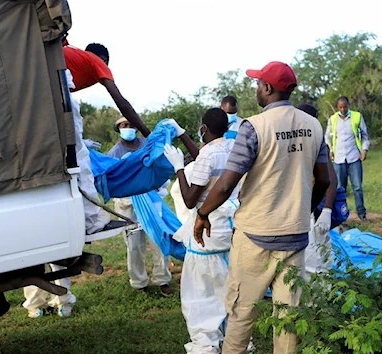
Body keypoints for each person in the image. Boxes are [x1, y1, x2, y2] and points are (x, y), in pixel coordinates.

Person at [192, 61, 330, 354]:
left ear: (267, 89)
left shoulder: (253, 127)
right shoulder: (314, 126)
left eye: (258, 84)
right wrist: (304, 210)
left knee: (242, 312)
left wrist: (202, 214)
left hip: (255, 236)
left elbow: (227, 184)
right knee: (289, 318)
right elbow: (325, 180)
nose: (256, 89)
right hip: (295, 236)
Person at [163, 108, 244, 354]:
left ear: (204, 129)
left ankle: (206, 344)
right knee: (229, 287)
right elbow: (206, 158)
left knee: (201, 292)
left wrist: (178, 168)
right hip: (231, 230)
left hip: (206, 231)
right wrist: (183, 135)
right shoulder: (232, 148)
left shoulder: (208, 155)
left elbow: (189, 200)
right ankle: (237, 340)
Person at [107, 117, 173, 296]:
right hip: (128, 205)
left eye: (130, 125)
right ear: (119, 128)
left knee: (159, 241)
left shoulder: (147, 145)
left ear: (136, 127)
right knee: (134, 245)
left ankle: (163, 279)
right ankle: (139, 282)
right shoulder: (115, 152)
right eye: (124, 126)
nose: (128, 128)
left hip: (152, 201)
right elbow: (113, 181)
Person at [63, 42, 150, 136]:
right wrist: (147, 134)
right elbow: (120, 101)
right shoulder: (96, 61)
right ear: (104, 60)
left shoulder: (76, 59)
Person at [297, 103, 338, 281]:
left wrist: (327, 211)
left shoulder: (318, 142)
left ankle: (318, 303)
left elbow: (330, 179)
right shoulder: (294, 141)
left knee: (315, 259)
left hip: (313, 209)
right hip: (300, 207)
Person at [325, 96, 370, 221]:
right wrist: (330, 150)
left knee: (357, 187)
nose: (343, 109)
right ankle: (342, 216)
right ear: (337, 107)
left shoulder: (357, 117)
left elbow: (365, 135)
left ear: (348, 105)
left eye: (345, 107)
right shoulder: (333, 119)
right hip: (339, 158)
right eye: (340, 107)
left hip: (354, 157)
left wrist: (364, 150)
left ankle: (362, 214)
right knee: (340, 189)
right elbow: (327, 137)